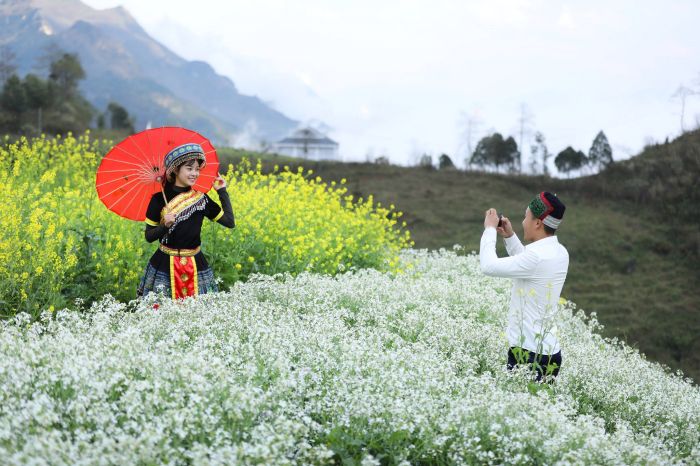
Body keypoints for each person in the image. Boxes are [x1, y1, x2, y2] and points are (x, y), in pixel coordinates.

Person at [479, 192, 568, 382]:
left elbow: (488, 266)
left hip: (527, 354)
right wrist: (510, 236)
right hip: (551, 353)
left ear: (537, 223)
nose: (523, 222)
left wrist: (489, 229)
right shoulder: (561, 252)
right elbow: (529, 267)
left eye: (526, 216)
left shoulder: (535, 257)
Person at [137, 143, 235, 300]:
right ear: (175, 170)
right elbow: (149, 236)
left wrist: (222, 191)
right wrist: (164, 226)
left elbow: (230, 222)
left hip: (196, 263)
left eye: (197, 169)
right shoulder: (158, 200)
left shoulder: (201, 199)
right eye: (189, 168)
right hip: (164, 264)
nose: (195, 173)